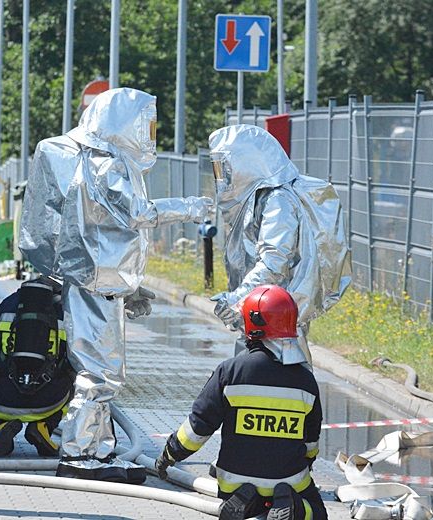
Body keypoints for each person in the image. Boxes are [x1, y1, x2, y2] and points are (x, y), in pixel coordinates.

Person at [19, 87, 214, 484]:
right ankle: (78, 454)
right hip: (93, 285)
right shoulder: (105, 165)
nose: (150, 134)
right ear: (124, 123)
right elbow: (136, 214)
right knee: (98, 375)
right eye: (146, 125)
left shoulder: (102, 161)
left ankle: (98, 450)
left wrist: (129, 286)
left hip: (98, 284)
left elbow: (102, 233)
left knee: (104, 374)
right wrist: (190, 207)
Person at [155, 285, 327, 520]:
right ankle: (295, 508)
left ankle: (248, 502)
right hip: (287, 481)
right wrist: (304, 463)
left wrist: (169, 455)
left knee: (241, 496)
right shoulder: (305, 380)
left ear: (252, 324)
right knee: (317, 514)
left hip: (233, 481)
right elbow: (311, 441)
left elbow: (199, 426)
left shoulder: (231, 371)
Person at [207, 124, 351, 365]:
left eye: (226, 168)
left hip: (275, 321)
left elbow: (274, 263)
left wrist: (237, 299)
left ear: (247, 163)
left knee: (277, 384)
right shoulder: (265, 197)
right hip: (263, 316)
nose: (223, 178)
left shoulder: (279, 201)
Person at [0, 276, 75, 457]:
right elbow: (79, 357)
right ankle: (43, 426)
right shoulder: (68, 310)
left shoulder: (9, 303)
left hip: (2, 398)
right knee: (75, 379)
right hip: (49, 401)